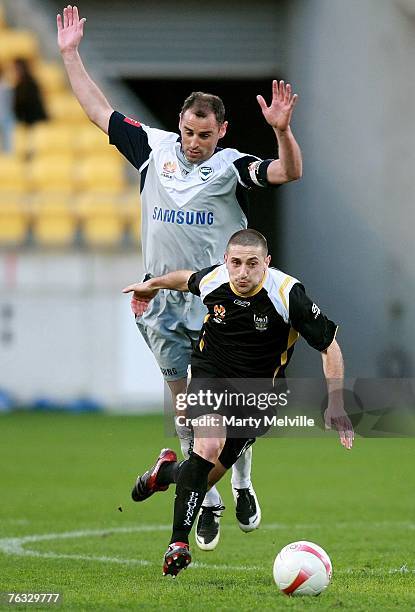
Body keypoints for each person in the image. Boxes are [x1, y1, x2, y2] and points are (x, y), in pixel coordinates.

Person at [57, 5, 303, 549]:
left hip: (220, 301)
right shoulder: (153, 147)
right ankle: (210, 495)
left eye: (205, 135)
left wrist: (283, 132)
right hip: (163, 299)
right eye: (189, 131)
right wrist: (71, 54)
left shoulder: (232, 166)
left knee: (230, 405)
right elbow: (98, 110)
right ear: (180, 124)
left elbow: (287, 171)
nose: (194, 142)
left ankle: (239, 480)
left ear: (222, 132)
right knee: (187, 407)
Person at [123, 229, 354, 576]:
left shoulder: (288, 294)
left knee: (206, 476)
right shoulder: (216, 279)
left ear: (267, 263)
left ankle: (165, 472)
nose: (242, 272)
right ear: (226, 261)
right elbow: (185, 278)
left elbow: (328, 345)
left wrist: (335, 402)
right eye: (235, 263)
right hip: (210, 373)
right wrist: (152, 284)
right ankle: (178, 544)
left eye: (251, 264)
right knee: (208, 445)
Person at [13, 58, 48, 127]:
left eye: (16, 69)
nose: (14, 72)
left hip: (35, 121)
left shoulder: (29, 85)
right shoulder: (20, 85)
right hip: (30, 121)